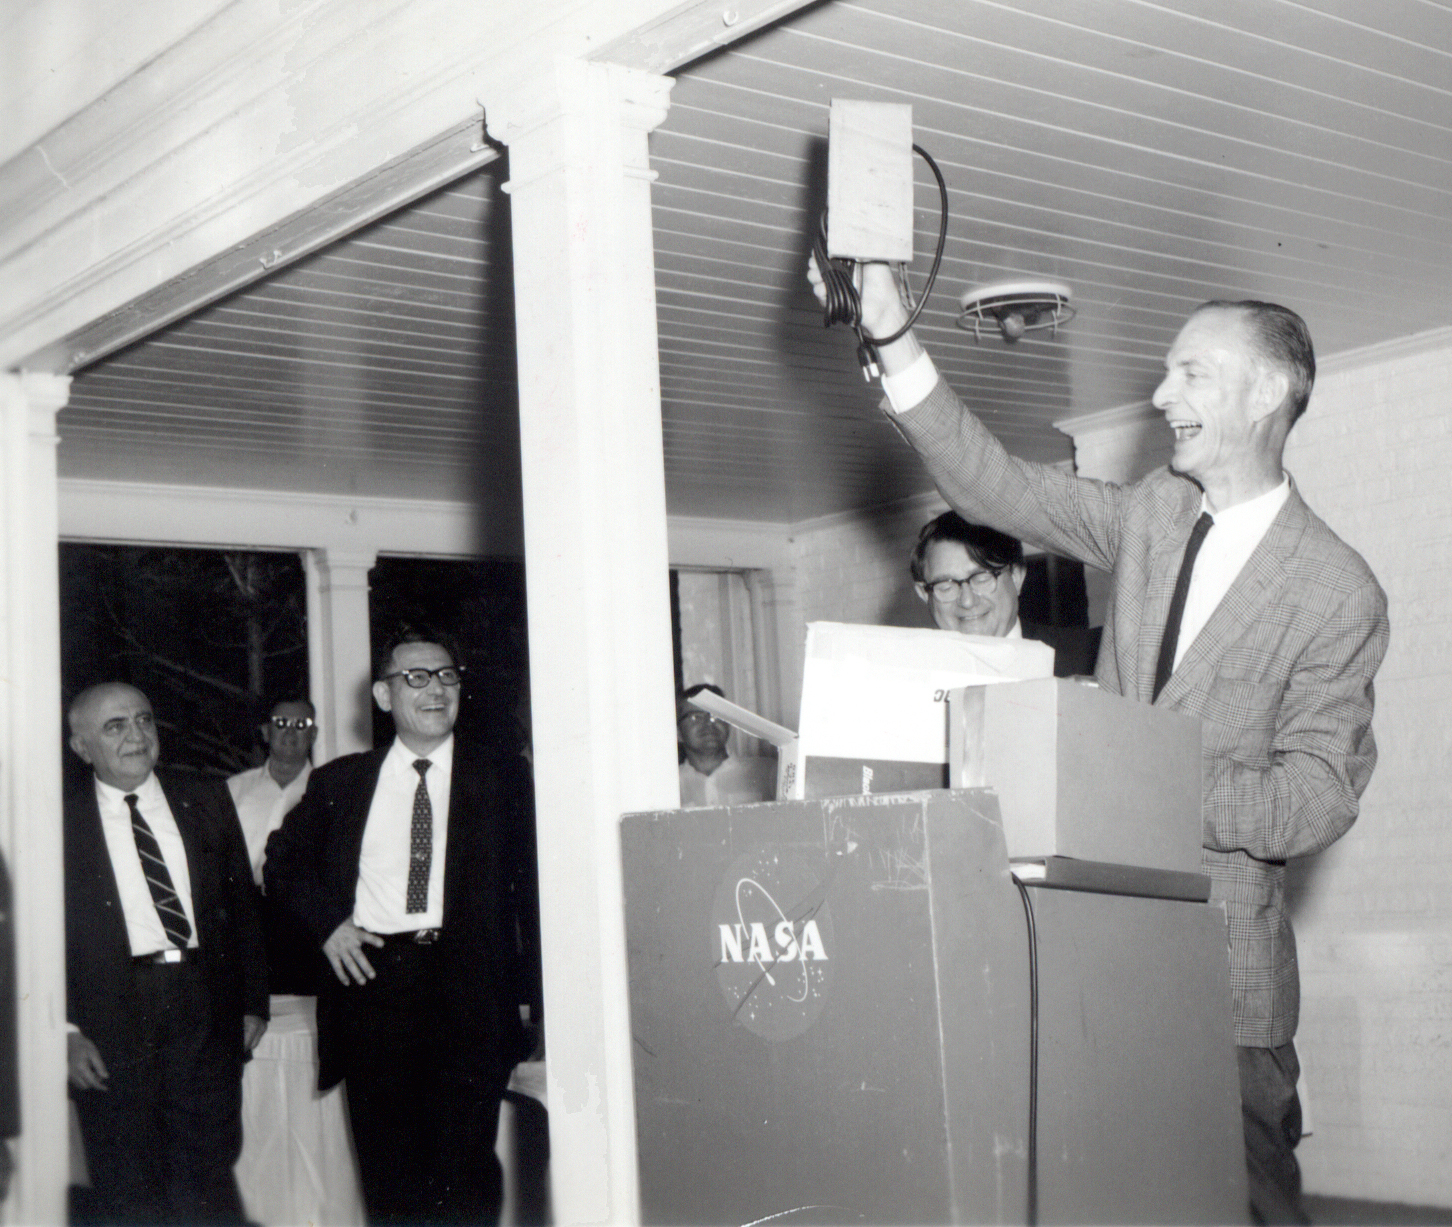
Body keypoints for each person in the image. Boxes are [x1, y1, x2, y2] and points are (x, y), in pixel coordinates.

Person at [812, 260, 1389, 1224]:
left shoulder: (1338, 590)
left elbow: (1317, 796)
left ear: (1269, 391)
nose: (1162, 396)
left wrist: (1131, 771)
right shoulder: (1153, 514)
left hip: (1224, 985)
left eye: (1191, 373)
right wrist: (893, 340)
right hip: (1088, 955)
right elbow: (995, 486)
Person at [264, 629, 529, 1225]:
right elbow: (281, 864)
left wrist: (536, 999)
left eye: (447, 675)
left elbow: (536, 892)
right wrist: (329, 925)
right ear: (383, 697)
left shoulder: (504, 779)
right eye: (416, 677)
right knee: (391, 1181)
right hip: (375, 992)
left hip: (469, 991)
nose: (435, 688)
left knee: (466, 1178)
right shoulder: (340, 782)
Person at [63, 682, 268, 1224]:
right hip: (110, 1022)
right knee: (127, 1185)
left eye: (144, 720)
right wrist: (62, 1032)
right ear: (81, 747)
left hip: (202, 1009)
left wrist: (253, 1002)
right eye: (115, 726)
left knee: (207, 1182)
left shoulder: (204, 797)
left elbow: (241, 907)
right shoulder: (58, 824)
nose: (137, 735)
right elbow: (36, 943)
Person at [910, 510, 1101, 676]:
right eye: (946, 586)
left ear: (1016, 577)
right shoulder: (910, 678)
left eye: (982, 578)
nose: (967, 601)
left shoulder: (1091, 657)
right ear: (924, 594)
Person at [227, 697, 317, 882]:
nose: (290, 732)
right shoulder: (233, 789)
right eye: (281, 723)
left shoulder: (325, 792)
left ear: (313, 734)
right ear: (267, 732)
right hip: (241, 905)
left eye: (301, 724)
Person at [677, 683, 776, 808]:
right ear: (678, 732)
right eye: (696, 717)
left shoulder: (767, 772)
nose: (708, 723)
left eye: (716, 715)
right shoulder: (670, 785)